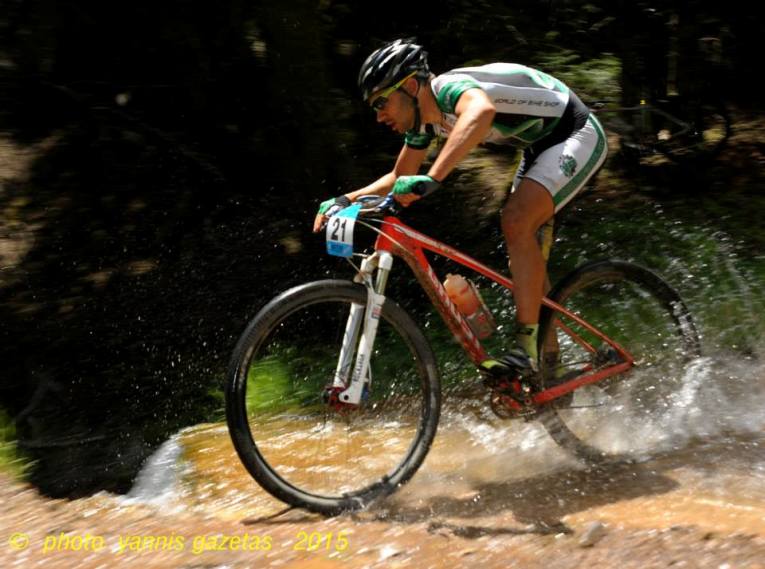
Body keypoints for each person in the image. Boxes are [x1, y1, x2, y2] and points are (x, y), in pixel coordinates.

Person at [313, 38, 608, 379]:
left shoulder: (450, 89)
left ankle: (526, 353)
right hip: (538, 146)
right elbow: (399, 175)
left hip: (575, 131)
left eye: (382, 102)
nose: (379, 117)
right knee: (523, 251)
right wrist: (347, 199)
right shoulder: (425, 121)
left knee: (516, 221)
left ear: (410, 86)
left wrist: (434, 177)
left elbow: (481, 112)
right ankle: (548, 366)